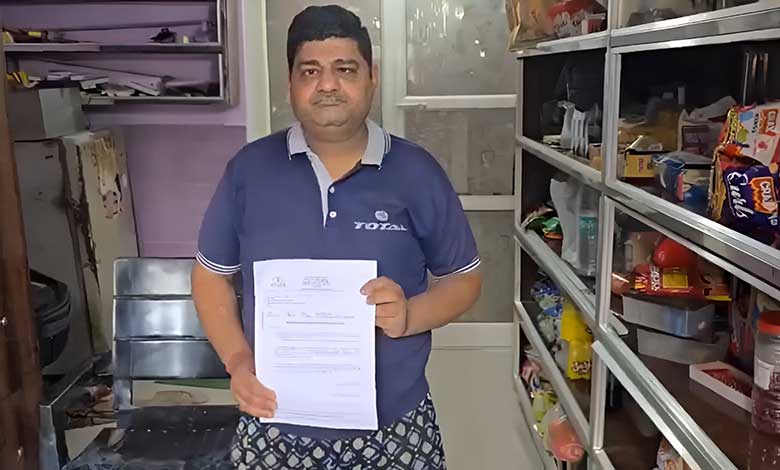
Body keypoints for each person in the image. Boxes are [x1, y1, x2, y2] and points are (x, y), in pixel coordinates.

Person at [192, 5, 483, 469]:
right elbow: (210, 276)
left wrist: (410, 314)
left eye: (345, 69)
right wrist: (238, 361)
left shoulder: (417, 172)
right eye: (310, 71)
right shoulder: (249, 171)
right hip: (274, 422)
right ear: (290, 83)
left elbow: (464, 279)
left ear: (371, 78)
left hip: (395, 425)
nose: (327, 84)